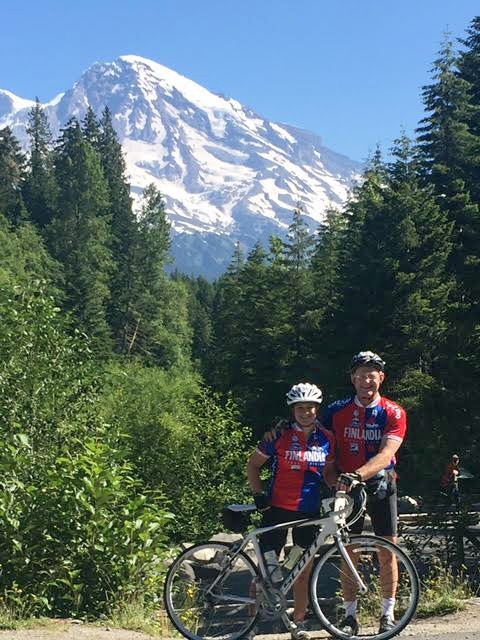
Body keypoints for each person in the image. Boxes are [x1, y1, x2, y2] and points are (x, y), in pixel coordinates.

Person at [321, 350, 407, 635]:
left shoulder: (393, 412)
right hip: (347, 487)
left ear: (381, 378)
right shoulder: (336, 410)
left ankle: (387, 613)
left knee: (387, 550)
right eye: (361, 375)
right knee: (350, 551)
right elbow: (315, 439)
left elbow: (386, 454)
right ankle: (349, 615)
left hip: (380, 483)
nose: (366, 381)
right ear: (352, 379)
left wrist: (357, 475)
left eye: (372, 375)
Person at [247, 382, 335, 640]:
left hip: (309, 512)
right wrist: (259, 495)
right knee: (265, 570)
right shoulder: (278, 436)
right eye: (300, 408)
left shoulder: (327, 438)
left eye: (310, 408)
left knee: (302, 569)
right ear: (292, 410)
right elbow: (253, 466)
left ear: (317, 409)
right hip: (277, 510)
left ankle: (298, 624)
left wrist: (337, 488)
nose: (305, 412)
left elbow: (328, 472)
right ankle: (250, 624)